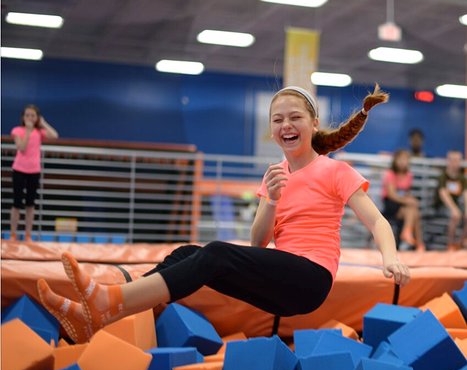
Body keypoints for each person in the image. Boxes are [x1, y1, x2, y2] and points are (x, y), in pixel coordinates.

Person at [36, 84, 410, 344]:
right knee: (185, 255)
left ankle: (108, 301)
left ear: (313, 124)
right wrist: (273, 198)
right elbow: (258, 243)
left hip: (311, 279)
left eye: (294, 118)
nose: (286, 126)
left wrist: (390, 258)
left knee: (215, 252)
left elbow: (377, 220)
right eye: (277, 120)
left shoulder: (334, 171)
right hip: (280, 281)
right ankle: (101, 315)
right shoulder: (275, 176)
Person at [9, 104, 59, 242]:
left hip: (34, 170)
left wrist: (43, 123)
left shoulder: (40, 132)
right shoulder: (17, 130)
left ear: (37, 118)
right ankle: (13, 234)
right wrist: (28, 131)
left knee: (30, 204)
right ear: (23, 117)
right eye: (27, 115)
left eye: (33, 115)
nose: (30, 118)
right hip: (19, 169)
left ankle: (28, 235)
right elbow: (22, 148)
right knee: (17, 203)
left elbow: (55, 135)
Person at [381, 149, 424, 250]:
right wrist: (408, 201)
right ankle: (419, 244)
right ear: (395, 160)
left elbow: (406, 192)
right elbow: (392, 195)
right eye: (400, 159)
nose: (402, 162)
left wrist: (412, 200)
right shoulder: (390, 174)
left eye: (405, 159)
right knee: (413, 212)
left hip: (402, 205)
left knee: (414, 211)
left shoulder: (409, 175)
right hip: (391, 205)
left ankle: (408, 234)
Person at [434, 150, 466, 250]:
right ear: (448, 161)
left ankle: (461, 242)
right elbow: (444, 194)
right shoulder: (442, 177)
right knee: (455, 215)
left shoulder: (462, 178)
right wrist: (453, 209)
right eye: (452, 160)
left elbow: (465, 194)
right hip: (442, 206)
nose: (454, 163)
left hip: (457, 205)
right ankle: (450, 244)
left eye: (457, 160)